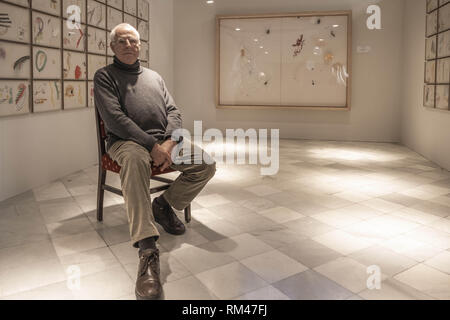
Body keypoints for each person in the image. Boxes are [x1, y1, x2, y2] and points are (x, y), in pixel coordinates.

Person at [94, 23, 216, 300]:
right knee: (136, 162)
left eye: (133, 41)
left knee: (206, 164)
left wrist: (169, 143)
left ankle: (163, 204)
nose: (128, 45)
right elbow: (115, 119)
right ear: (112, 47)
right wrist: (152, 146)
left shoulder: (154, 77)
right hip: (126, 143)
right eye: (122, 41)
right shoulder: (104, 76)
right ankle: (147, 248)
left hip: (165, 141)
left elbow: (174, 111)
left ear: (140, 46)